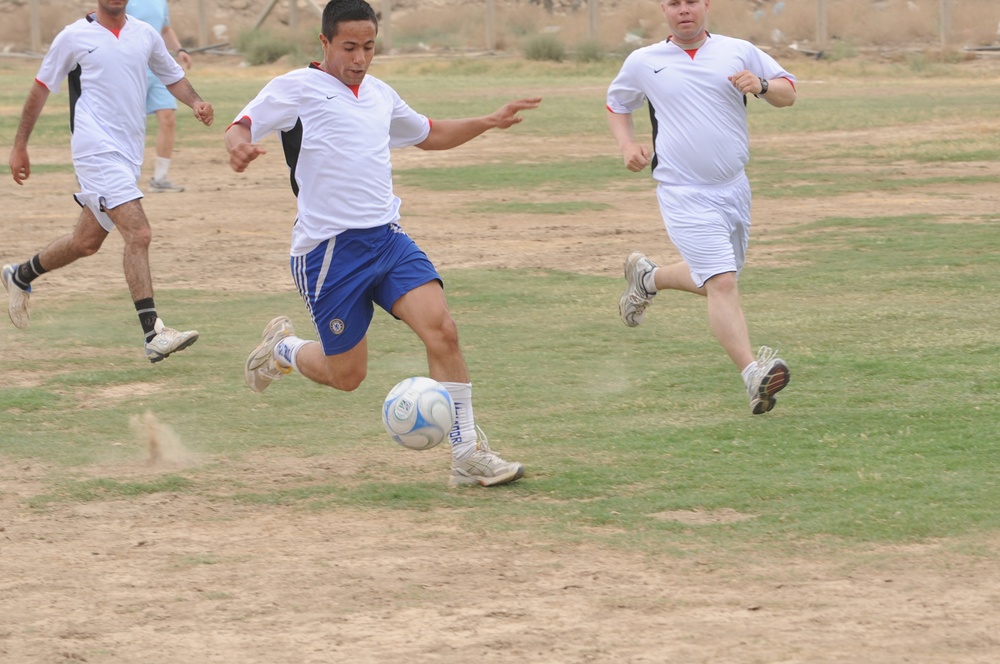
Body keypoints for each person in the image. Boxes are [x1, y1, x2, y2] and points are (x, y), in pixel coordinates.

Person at [225, 0, 539, 487]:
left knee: (444, 331)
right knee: (347, 376)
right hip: (329, 253)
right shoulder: (297, 88)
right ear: (324, 42)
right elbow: (242, 123)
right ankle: (283, 349)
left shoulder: (379, 94)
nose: (360, 58)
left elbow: (428, 134)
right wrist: (238, 145)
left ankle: (467, 453)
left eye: (369, 47)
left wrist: (488, 121)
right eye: (349, 47)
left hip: (388, 240)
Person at [607, 0, 796, 414]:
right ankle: (752, 374)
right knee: (723, 283)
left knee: (716, 280)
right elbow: (617, 104)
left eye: (691, 1)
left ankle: (649, 278)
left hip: (733, 188)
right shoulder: (644, 61)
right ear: (663, 10)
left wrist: (761, 86)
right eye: (674, 3)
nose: (683, 10)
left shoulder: (738, 50)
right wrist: (626, 145)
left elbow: (789, 93)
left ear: (705, 5)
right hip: (682, 191)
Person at [4, 0, 214, 363]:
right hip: (94, 149)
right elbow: (40, 89)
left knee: (85, 242)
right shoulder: (73, 37)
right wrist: (20, 145)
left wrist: (195, 101)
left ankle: (20, 274)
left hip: (128, 154)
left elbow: (171, 75)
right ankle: (153, 332)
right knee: (140, 233)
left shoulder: (144, 34)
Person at [127, 0, 193, 193]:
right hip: (131, 68)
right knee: (125, 122)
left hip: (157, 69)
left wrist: (180, 50)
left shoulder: (160, 2)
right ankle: (107, 172)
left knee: (168, 118)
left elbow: (164, 29)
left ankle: (160, 178)